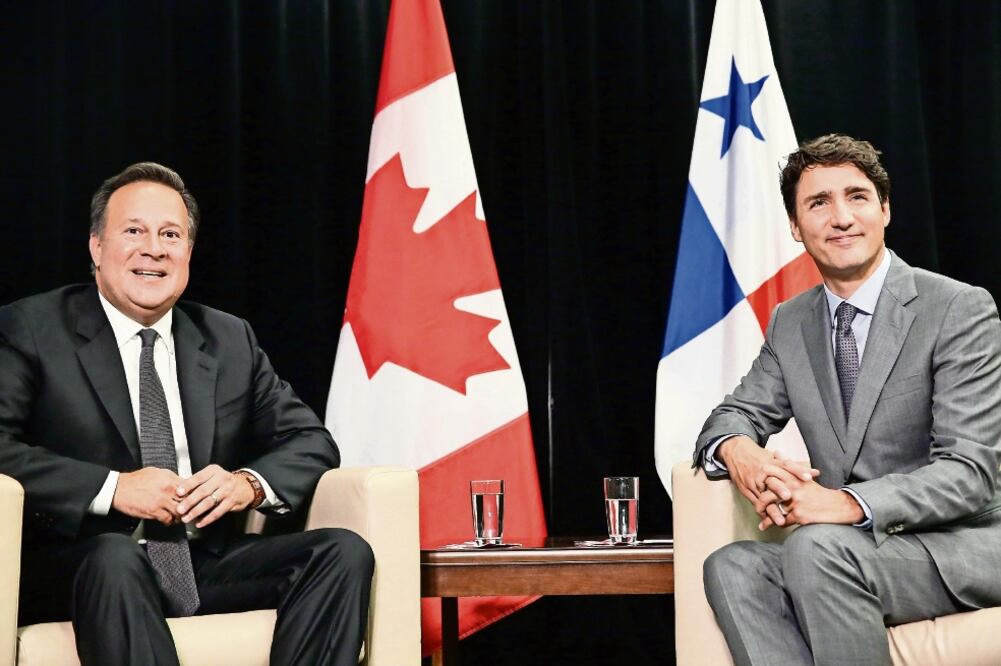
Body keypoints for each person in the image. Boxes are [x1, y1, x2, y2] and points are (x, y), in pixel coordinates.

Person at [0, 162, 373, 665]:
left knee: (340, 551)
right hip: (80, 567)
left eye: (171, 234)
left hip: (199, 562)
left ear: (188, 253)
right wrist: (113, 488)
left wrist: (247, 484)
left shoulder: (227, 339)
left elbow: (310, 440)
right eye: (133, 231)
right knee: (115, 557)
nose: (154, 248)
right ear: (96, 247)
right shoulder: (32, 328)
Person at [694, 134, 1001, 665]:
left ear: (884, 210)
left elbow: (970, 473)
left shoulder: (957, 307)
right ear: (795, 227)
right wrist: (739, 452)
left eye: (857, 197)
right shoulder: (792, 322)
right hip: (852, 551)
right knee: (733, 566)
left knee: (817, 547)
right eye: (819, 203)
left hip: (963, 545)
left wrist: (843, 503)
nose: (841, 218)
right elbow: (735, 414)